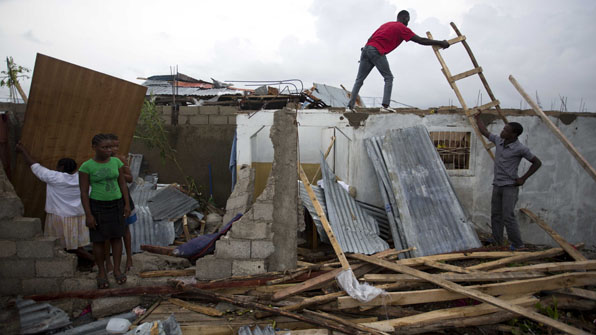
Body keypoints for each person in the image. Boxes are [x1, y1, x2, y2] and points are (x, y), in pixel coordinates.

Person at [347, 10, 450, 112]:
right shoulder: (402, 28)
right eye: (408, 20)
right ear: (405, 18)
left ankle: (349, 107)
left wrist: (367, 52)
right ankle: (385, 106)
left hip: (366, 50)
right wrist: (441, 43)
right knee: (388, 77)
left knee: (359, 80)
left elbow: (370, 38)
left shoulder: (386, 24)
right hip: (377, 51)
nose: (408, 23)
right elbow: (421, 40)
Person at [15, 142, 94, 263]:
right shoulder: (83, 178)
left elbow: (34, 165)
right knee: (76, 245)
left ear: (61, 167)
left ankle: (95, 262)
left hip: (59, 217)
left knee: (64, 246)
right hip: (78, 217)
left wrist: (22, 150)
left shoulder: (54, 177)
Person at [475, 113, 542, 250]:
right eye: (503, 129)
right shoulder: (499, 141)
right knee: (496, 214)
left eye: (506, 130)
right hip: (497, 184)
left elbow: (537, 162)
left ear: (514, 134)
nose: (502, 131)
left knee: (508, 216)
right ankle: (497, 240)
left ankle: (518, 244)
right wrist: (477, 118)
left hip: (510, 186)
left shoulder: (520, 149)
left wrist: (523, 178)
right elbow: (484, 131)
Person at [79, 133, 131, 289]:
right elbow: (83, 192)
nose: (109, 150)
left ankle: (116, 269)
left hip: (116, 204)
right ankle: (102, 271)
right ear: (94, 148)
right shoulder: (86, 166)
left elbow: (122, 184)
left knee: (117, 237)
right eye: (105, 147)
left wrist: (126, 204)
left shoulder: (116, 162)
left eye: (110, 147)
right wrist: (88, 214)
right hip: (98, 206)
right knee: (99, 240)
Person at [106, 133, 136, 273]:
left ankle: (129, 258)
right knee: (106, 233)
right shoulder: (97, 162)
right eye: (111, 146)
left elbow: (130, 179)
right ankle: (108, 262)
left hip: (122, 199)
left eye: (116, 146)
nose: (114, 149)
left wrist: (116, 172)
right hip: (105, 200)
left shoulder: (120, 160)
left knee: (125, 230)